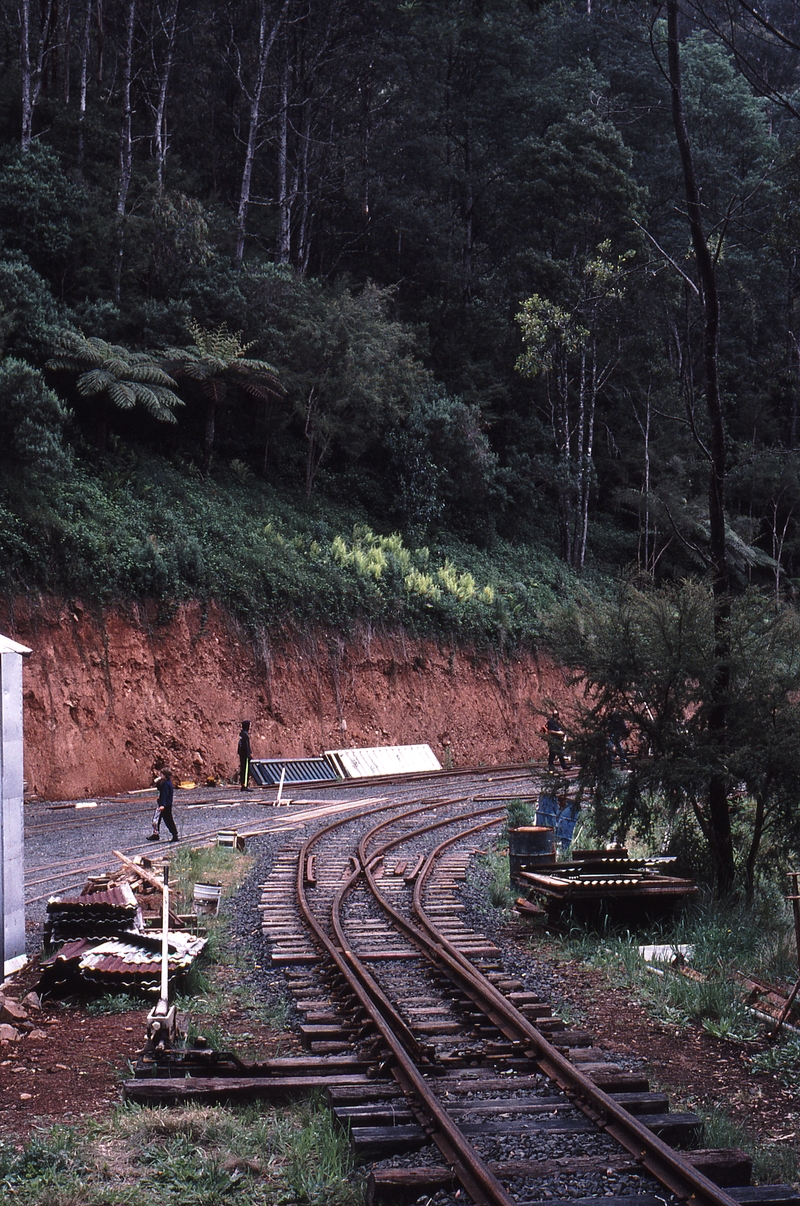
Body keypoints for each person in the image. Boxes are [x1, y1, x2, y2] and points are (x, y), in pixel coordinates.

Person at [148, 768, 178, 842]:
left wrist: (162, 805)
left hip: (164, 805)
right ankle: (156, 834)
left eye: (162, 774)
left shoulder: (166, 784)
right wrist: (158, 782)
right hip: (167, 805)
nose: (160, 775)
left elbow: (164, 794)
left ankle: (174, 835)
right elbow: (160, 789)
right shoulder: (168, 783)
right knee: (159, 820)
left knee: (165, 820)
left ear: (165, 775)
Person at [238, 720, 252, 790]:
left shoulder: (241, 733)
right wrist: (248, 754)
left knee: (243, 769)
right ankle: (245, 785)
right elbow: (246, 745)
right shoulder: (245, 734)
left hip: (241, 754)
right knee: (246, 770)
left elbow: (239, 745)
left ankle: (243, 784)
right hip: (245, 755)